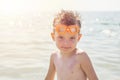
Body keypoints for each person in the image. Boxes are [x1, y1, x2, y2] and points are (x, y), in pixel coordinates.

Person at [45, 10, 98, 80]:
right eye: (61, 37)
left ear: (78, 38)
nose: (66, 43)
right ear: (53, 37)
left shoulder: (81, 57)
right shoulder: (54, 57)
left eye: (72, 38)